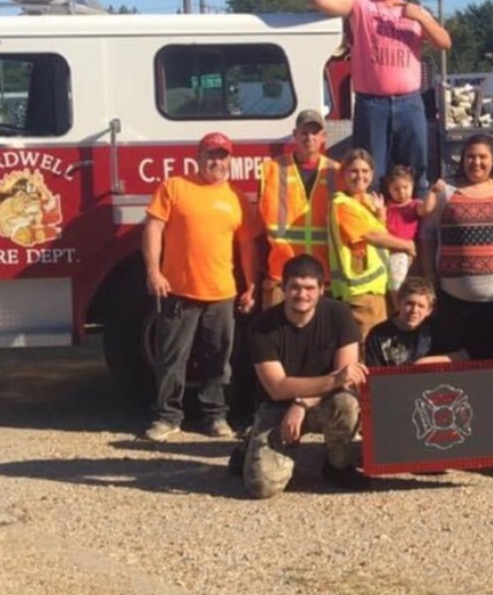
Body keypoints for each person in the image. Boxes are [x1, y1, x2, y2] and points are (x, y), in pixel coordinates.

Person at [141, 132, 259, 442]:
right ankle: (167, 418)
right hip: (178, 290)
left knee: (220, 360)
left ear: (230, 161)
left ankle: (216, 417)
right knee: (171, 358)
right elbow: (153, 228)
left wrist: (251, 285)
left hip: (222, 292)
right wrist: (153, 271)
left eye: (223, 156)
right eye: (211, 155)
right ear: (198, 157)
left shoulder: (237, 198)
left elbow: (247, 244)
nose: (217, 162)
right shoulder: (174, 187)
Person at [309, 0, 451, 196]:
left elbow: (444, 42)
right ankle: (372, 229)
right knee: (369, 173)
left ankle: (415, 231)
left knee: (415, 172)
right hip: (371, 104)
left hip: (410, 103)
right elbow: (320, 0)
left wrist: (421, 17)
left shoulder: (415, 12)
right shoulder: (360, 4)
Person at [242, 255, 370, 498]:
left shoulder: (339, 314)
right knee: (262, 487)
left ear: (322, 289)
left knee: (347, 404)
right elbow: (277, 388)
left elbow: (348, 377)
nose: (302, 294)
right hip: (277, 407)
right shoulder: (262, 326)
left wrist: (302, 403)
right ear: (284, 288)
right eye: (295, 287)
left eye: (310, 288)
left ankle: (337, 465)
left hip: (323, 401)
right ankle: (249, 448)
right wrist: (333, 380)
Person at [421, 135, 493, 359]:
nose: (476, 162)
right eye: (470, 156)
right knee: (458, 365)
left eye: (482, 157)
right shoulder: (446, 191)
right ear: (462, 160)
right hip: (454, 301)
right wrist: (430, 275)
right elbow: (427, 233)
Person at [327, 149, 417, 341]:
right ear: (343, 174)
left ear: (373, 173)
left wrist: (381, 216)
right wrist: (407, 245)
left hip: (378, 291)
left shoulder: (367, 203)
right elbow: (372, 236)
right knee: (368, 349)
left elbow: (380, 235)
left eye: (365, 171)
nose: (360, 176)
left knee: (382, 349)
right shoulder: (342, 204)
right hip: (361, 296)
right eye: (354, 171)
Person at [258, 110, 339, 309]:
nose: (309, 137)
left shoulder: (337, 171)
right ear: (295, 134)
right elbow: (257, 226)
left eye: (315, 132)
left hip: (323, 277)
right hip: (281, 275)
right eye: (304, 132)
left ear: (323, 137)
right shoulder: (272, 169)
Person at [364, 277, 463, 367]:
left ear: (429, 310)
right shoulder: (378, 334)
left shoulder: (437, 329)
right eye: (409, 304)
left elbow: (462, 356)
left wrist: (424, 362)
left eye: (421, 306)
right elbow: (374, 375)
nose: (414, 310)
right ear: (398, 303)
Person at [381, 164, 437, 296]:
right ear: (389, 190)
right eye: (396, 189)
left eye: (405, 187)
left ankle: (399, 307)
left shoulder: (414, 205)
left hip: (403, 251)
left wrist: (432, 192)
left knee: (398, 283)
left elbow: (426, 209)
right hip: (388, 249)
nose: (401, 192)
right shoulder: (388, 206)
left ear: (412, 186)